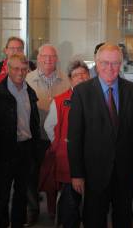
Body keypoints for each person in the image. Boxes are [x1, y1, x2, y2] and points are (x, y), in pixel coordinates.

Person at [67, 43, 133, 227]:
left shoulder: (132, 91)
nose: (110, 68)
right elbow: (75, 137)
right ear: (96, 63)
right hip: (94, 173)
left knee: (123, 219)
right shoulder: (81, 92)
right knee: (94, 219)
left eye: (115, 63)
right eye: (105, 63)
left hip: (125, 172)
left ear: (121, 64)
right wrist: (76, 174)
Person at [0, 54, 40, 228]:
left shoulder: (30, 91)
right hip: (4, 150)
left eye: (24, 69)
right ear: (8, 69)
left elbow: (34, 123)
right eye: (16, 68)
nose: (20, 72)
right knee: (1, 195)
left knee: (21, 194)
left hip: (25, 149)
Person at [24, 44, 70, 225]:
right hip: (35, 137)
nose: (48, 60)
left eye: (52, 57)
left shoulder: (66, 80)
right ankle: (33, 209)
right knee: (32, 174)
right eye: (44, 56)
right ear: (38, 58)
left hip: (57, 138)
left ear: (56, 59)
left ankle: (54, 209)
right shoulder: (27, 79)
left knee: (55, 173)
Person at [42, 60, 91, 228]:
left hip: (92, 159)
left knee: (92, 204)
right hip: (68, 160)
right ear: (70, 79)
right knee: (70, 201)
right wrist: (61, 144)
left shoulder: (97, 98)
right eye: (77, 75)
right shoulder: (60, 101)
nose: (81, 78)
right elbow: (49, 126)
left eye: (84, 74)